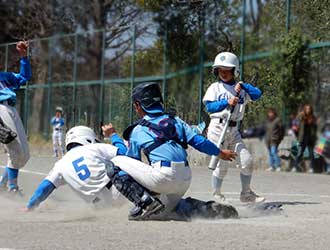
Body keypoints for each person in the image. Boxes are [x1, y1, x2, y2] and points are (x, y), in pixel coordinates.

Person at [108, 82, 237, 220]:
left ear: (139, 105)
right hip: (185, 178)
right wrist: (220, 153)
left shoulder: (137, 130)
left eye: (135, 105)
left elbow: (132, 163)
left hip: (163, 177)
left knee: (114, 164)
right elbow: (199, 141)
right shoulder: (176, 120)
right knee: (165, 210)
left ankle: (145, 203)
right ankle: (205, 208)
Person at [202, 51, 265, 203]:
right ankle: (216, 194)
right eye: (220, 70)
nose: (223, 73)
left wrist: (244, 85)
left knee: (247, 160)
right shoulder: (215, 87)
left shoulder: (241, 89)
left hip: (234, 130)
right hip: (218, 128)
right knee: (222, 165)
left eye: (227, 70)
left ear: (235, 70)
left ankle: (246, 194)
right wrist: (227, 102)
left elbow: (258, 94)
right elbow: (209, 107)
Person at [22, 124, 127, 211]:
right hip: (121, 190)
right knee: (122, 161)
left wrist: (30, 206)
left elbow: (45, 188)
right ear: (88, 138)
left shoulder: (60, 165)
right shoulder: (93, 148)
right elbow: (123, 153)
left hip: (102, 206)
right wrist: (113, 135)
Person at [0, 41, 31, 193]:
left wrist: (24, 57)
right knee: (16, 152)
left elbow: (25, 76)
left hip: (11, 109)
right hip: (1, 109)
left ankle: (3, 186)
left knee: (24, 154)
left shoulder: (5, 76)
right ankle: (12, 188)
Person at [292, 104, 317, 173]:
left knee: (311, 154)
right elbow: (295, 123)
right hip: (302, 137)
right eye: (306, 109)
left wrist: (314, 137)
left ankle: (312, 168)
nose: (308, 110)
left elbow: (315, 128)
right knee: (300, 153)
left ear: (311, 110)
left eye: (309, 109)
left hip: (310, 138)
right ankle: (294, 167)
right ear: (304, 109)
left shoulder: (313, 117)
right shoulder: (301, 116)